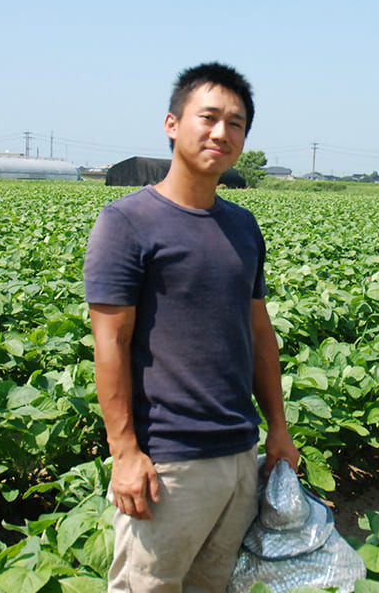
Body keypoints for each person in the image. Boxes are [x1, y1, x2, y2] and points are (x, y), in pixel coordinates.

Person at [84, 62, 300, 592]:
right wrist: (125, 453)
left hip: (238, 455)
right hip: (168, 465)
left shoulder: (242, 225)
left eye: (237, 124)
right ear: (172, 123)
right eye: (208, 117)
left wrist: (277, 427)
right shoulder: (126, 223)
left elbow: (258, 335)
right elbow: (110, 343)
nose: (221, 133)